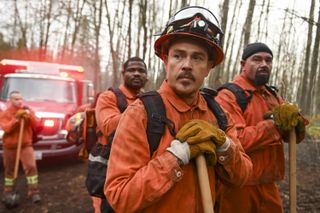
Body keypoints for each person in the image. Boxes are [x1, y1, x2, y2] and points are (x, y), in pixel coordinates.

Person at [104, 6, 252, 212]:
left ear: (209, 66)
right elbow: (120, 197)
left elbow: (243, 176)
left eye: (197, 58)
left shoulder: (219, 115)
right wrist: (175, 157)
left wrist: (224, 146)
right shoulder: (141, 113)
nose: (187, 65)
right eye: (178, 56)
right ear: (165, 60)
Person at [215, 42, 309, 212]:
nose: (264, 64)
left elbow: (292, 136)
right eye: (257, 59)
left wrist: (298, 124)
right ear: (243, 65)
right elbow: (236, 140)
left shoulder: (273, 96)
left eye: (268, 60)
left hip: (268, 185)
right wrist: (274, 126)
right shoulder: (228, 96)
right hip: (238, 186)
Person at [93, 56, 148, 213]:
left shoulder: (148, 99)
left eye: (141, 71)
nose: (137, 73)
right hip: (112, 171)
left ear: (147, 76)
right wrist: (140, 110)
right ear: (123, 74)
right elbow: (109, 126)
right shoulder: (108, 97)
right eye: (131, 70)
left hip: (141, 171)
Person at [0, 91, 41, 207]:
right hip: (10, 146)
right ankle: (8, 191)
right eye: (16, 99)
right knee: (9, 169)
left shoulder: (27, 110)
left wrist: (29, 115)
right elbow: (6, 128)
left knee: (31, 166)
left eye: (20, 99)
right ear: (11, 101)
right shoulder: (5, 113)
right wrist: (16, 119)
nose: (19, 101)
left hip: (25, 144)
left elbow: (37, 123)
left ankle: (34, 192)